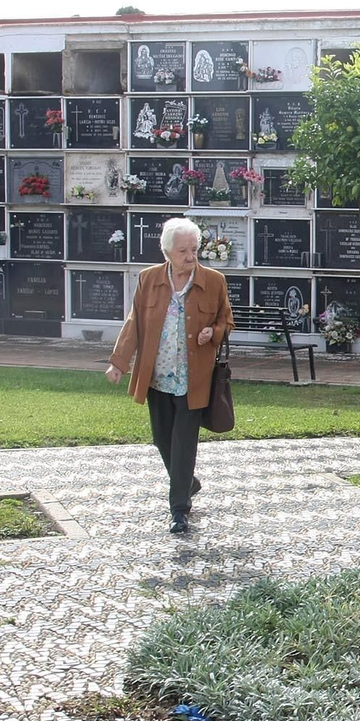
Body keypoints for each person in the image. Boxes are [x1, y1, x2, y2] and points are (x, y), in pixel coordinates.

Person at [105, 218, 234, 533]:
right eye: (183, 251)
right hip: (158, 377)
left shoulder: (214, 281)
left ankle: (179, 509)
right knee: (162, 439)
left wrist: (212, 332)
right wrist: (119, 362)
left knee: (184, 442)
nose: (191, 257)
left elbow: (226, 321)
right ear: (167, 252)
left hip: (194, 380)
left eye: (194, 249)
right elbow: (135, 323)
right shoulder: (149, 279)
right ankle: (188, 482)